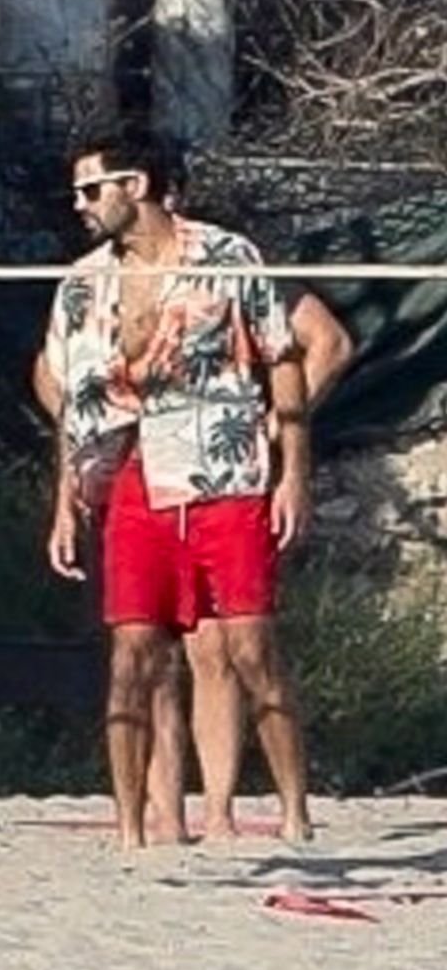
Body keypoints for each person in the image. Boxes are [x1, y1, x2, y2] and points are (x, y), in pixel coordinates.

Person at [40, 130, 313, 849]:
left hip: (225, 475)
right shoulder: (83, 282)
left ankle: (293, 810)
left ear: (136, 185)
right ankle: (133, 829)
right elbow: (70, 399)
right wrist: (64, 498)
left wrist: (294, 472)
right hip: (129, 478)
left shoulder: (227, 257)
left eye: (91, 189)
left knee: (250, 648)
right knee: (132, 654)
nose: (80, 204)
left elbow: (285, 356)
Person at [32, 287, 350, 841]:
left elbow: (329, 342)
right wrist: (83, 452)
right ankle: (164, 816)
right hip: (136, 474)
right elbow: (52, 371)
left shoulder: (233, 267)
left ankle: (221, 813)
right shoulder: (104, 280)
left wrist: (272, 429)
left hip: (219, 478)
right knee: (145, 650)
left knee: (221, 647)